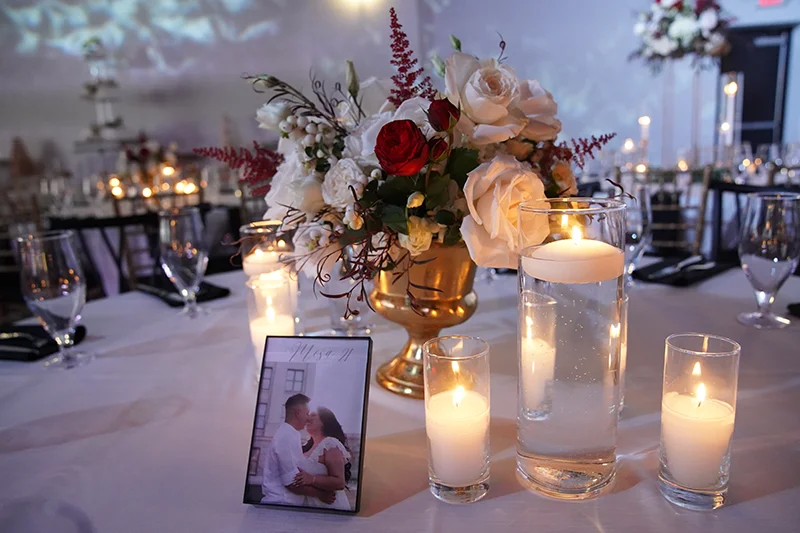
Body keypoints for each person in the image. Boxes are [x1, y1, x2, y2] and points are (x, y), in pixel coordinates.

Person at [260, 394, 335, 506]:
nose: (308, 418)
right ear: (297, 413)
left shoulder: (291, 434)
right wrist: (321, 495)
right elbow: (291, 483)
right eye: (307, 413)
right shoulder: (286, 437)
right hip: (281, 505)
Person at [292, 407, 353, 511]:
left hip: (329, 507)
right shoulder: (304, 448)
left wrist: (312, 479)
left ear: (325, 421)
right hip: (308, 506)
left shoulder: (330, 443)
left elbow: (339, 482)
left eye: (313, 415)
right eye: (308, 415)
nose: (308, 418)